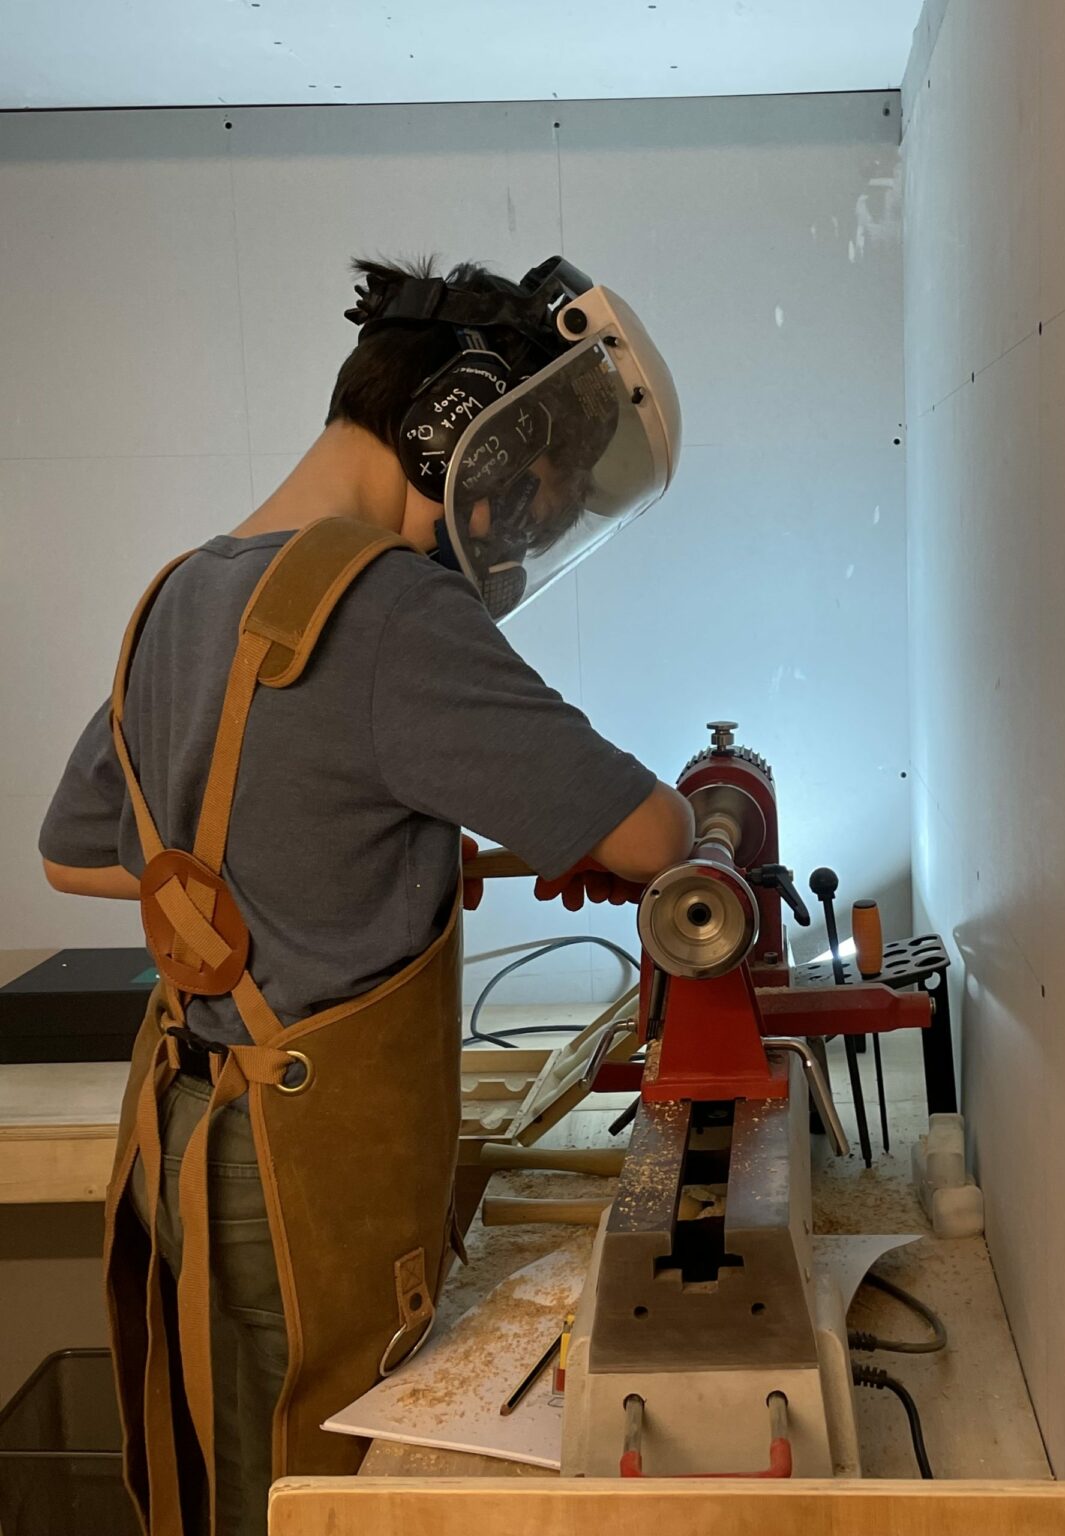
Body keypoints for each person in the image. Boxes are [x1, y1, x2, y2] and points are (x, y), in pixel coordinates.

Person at [37, 255, 692, 1536]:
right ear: (461, 430)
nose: (515, 536)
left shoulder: (182, 593)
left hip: (184, 1129)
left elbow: (75, 848)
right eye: (534, 495)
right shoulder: (389, 606)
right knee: (308, 1501)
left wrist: (307, 862)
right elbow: (653, 833)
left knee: (234, 1479)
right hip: (303, 1167)